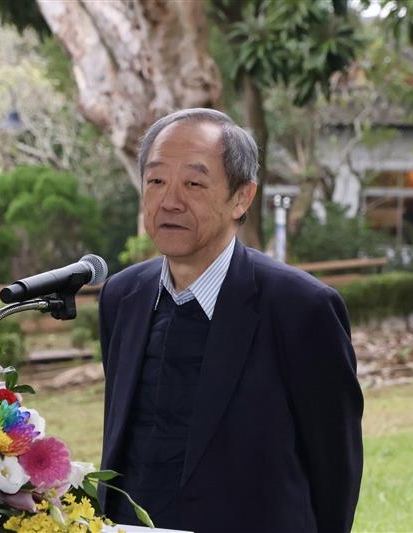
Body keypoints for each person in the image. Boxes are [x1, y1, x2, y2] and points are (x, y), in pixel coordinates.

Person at [97, 108, 363, 533]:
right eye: (156, 180)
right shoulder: (122, 296)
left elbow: (335, 468)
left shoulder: (301, 308)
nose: (169, 201)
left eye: (194, 184)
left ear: (242, 197)